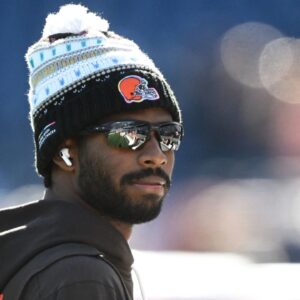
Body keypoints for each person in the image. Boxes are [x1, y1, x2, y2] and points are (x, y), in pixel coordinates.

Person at [0, 4, 183, 300]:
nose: (157, 154)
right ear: (64, 152)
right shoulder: (81, 278)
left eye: (168, 136)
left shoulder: (32, 256)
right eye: (128, 134)